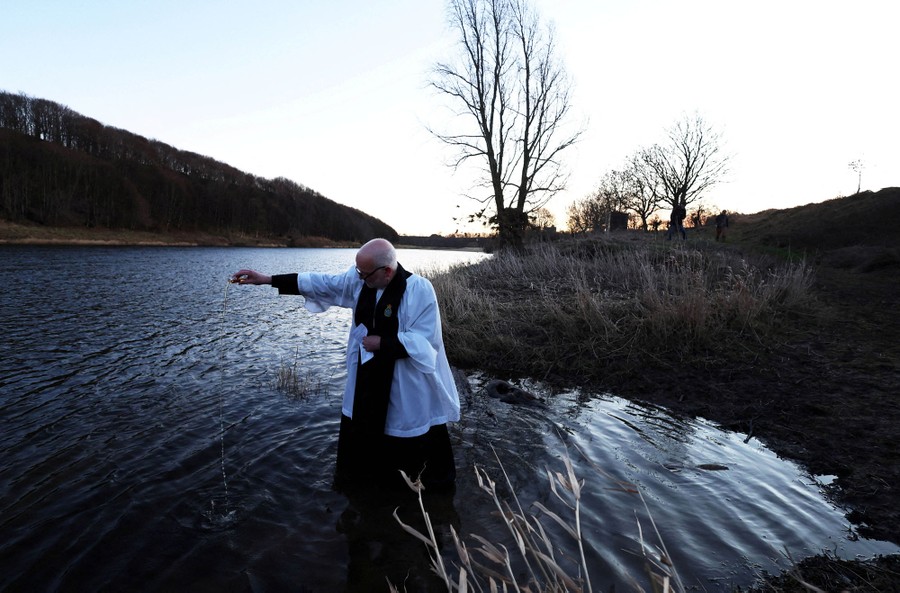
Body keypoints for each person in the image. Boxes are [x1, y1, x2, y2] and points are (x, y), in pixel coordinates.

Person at [232, 238, 460, 493]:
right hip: (365, 378)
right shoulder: (361, 280)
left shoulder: (419, 290)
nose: (359, 278)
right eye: (358, 272)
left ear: (386, 271)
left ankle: (408, 492)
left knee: (402, 438)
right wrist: (268, 279)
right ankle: (361, 487)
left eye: (365, 274)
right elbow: (323, 284)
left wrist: (382, 343)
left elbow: (425, 340)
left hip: (404, 383)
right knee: (361, 441)